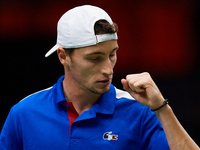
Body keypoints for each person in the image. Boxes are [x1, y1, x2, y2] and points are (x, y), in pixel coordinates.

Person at [0, 5, 199, 150]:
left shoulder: (141, 112)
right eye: (95, 58)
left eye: (112, 54)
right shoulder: (23, 113)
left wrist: (162, 109)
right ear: (63, 56)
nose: (108, 69)